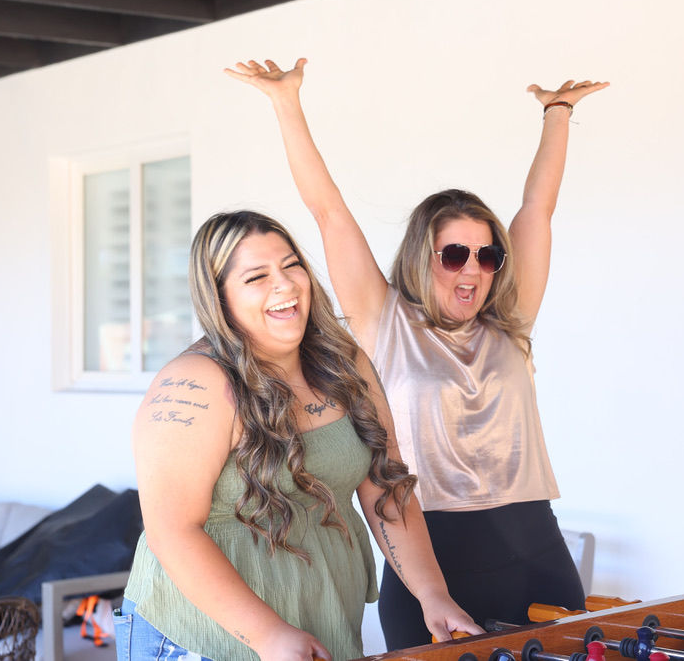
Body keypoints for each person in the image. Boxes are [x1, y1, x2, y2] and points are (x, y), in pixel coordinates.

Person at [225, 57, 608, 649]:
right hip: (430, 558)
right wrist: (286, 103)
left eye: (488, 256)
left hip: (534, 546)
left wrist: (556, 113)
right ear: (422, 256)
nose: (473, 269)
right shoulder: (385, 323)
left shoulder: (510, 325)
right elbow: (328, 211)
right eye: (454, 254)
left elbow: (537, 210)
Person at [115, 210, 481, 661]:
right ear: (219, 297)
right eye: (257, 277)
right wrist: (268, 634)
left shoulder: (345, 363)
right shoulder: (198, 382)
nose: (285, 284)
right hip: (197, 638)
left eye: (291, 265)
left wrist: (432, 593)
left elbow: (386, 485)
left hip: (319, 623)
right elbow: (171, 531)